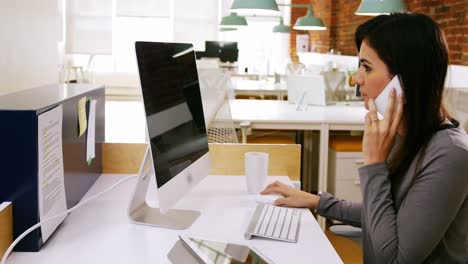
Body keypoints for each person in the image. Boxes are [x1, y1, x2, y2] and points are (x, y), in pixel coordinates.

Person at [261, 13, 468, 263]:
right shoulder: (407, 135)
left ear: (405, 80)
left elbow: (389, 259)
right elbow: (390, 216)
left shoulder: (451, 154)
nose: (357, 79)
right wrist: (318, 202)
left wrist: (373, 163)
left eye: (366, 67)